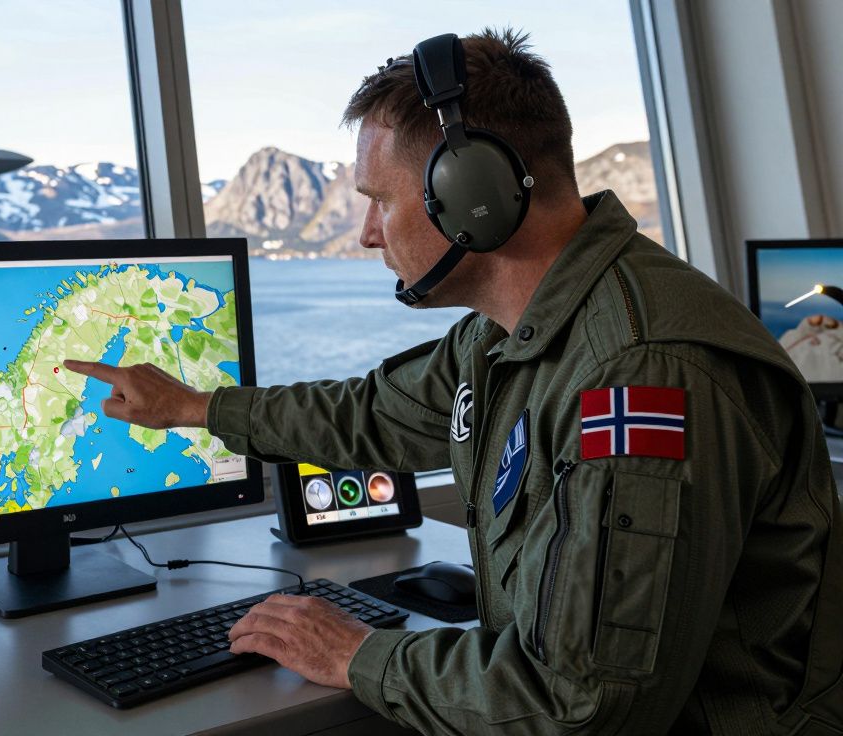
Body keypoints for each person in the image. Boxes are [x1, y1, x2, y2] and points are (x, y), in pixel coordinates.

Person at [66, 27, 843, 734]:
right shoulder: (505, 340)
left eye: (379, 201)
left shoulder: (640, 377)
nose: (368, 233)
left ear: (473, 193)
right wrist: (192, 408)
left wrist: (356, 655)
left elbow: (578, 707)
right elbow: (369, 415)